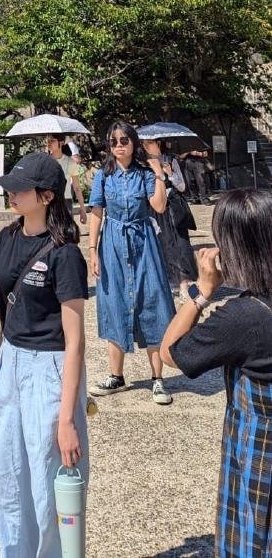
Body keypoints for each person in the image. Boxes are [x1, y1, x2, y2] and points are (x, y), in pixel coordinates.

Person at [0, 152, 89, 558]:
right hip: (10, 362)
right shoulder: (6, 238)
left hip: (50, 369)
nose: (11, 194)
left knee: (46, 481)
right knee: (6, 479)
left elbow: (75, 341)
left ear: (46, 196)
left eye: (20, 188)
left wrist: (67, 418)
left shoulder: (65, 253)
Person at [161, 190, 272, 557]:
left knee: (253, 536)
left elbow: (170, 353)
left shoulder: (243, 318)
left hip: (260, 454)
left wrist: (203, 291)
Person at [87, 120, 176, 405]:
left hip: (143, 242)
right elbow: (97, 212)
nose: (119, 146)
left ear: (133, 143)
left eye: (124, 140)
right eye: (114, 141)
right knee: (114, 305)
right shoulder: (103, 175)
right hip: (111, 243)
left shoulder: (144, 174)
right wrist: (91, 249)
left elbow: (159, 206)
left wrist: (159, 174)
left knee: (152, 303)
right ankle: (117, 375)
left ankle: (157, 378)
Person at [142, 138, 198, 302]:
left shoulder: (170, 159)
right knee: (164, 245)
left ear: (157, 143)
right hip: (156, 210)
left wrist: (171, 174)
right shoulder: (145, 164)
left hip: (174, 209)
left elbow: (182, 187)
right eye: (143, 144)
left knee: (181, 245)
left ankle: (185, 285)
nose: (145, 146)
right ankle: (170, 284)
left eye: (148, 143)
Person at [46, 133, 87, 225]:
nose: (48, 143)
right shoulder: (44, 161)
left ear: (61, 142)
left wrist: (83, 209)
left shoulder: (70, 162)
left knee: (67, 232)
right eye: (47, 141)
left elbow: (76, 187)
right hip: (48, 201)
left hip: (65, 201)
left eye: (52, 141)